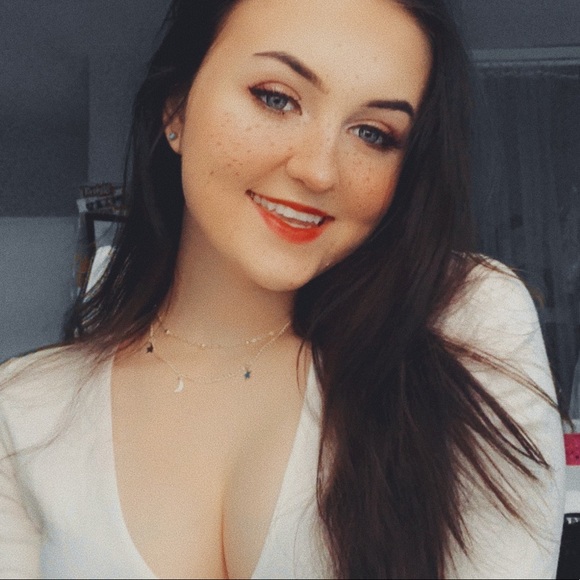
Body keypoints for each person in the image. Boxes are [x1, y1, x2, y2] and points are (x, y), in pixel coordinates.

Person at [0, 0, 565, 578]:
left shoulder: (460, 326)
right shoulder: (29, 408)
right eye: (276, 98)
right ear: (177, 107)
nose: (319, 171)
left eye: (373, 133)